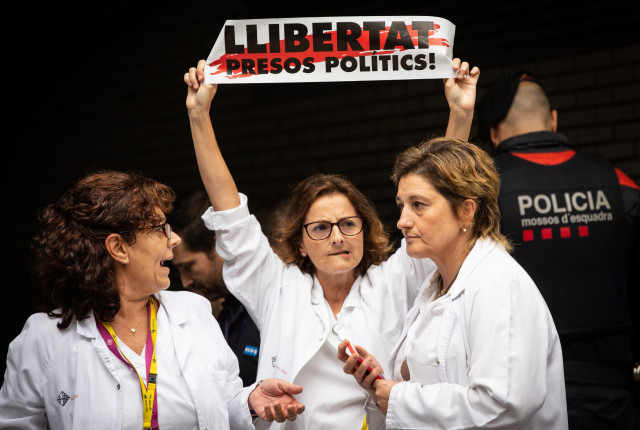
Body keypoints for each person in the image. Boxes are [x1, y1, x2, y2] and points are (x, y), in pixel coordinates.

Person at [183, 58, 479, 429]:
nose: (338, 236)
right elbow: (229, 213)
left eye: (348, 224)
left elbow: (436, 195)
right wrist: (199, 115)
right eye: (321, 228)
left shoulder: (393, 280)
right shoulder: (277, 286)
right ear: (301, 243)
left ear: (365, 230)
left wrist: (460, 113)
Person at [0, 170, 304, 429]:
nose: (175, 239)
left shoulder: (194, 312)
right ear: (118, 248)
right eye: (160, 229)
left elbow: (224, 406)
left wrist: (250, 401)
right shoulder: (43, 339)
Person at [339, 137, 568, 429]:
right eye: (402, 205)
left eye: (418, 205)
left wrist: (399, 398)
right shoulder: (435, 286)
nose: (402, 221)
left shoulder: (497, 284)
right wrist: (383, 385)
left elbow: (504, 403)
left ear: (466, 211)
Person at [477, 67, 640, 429]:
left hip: (521, 398)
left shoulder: (482, 196)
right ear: (553, 119)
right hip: (611, 395)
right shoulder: (618, 183)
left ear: (493, 132)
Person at [169, 189, 261, 387]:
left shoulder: (265, 306)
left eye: (188, 267)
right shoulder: (228, 312)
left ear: (218, 246)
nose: (185, 283)